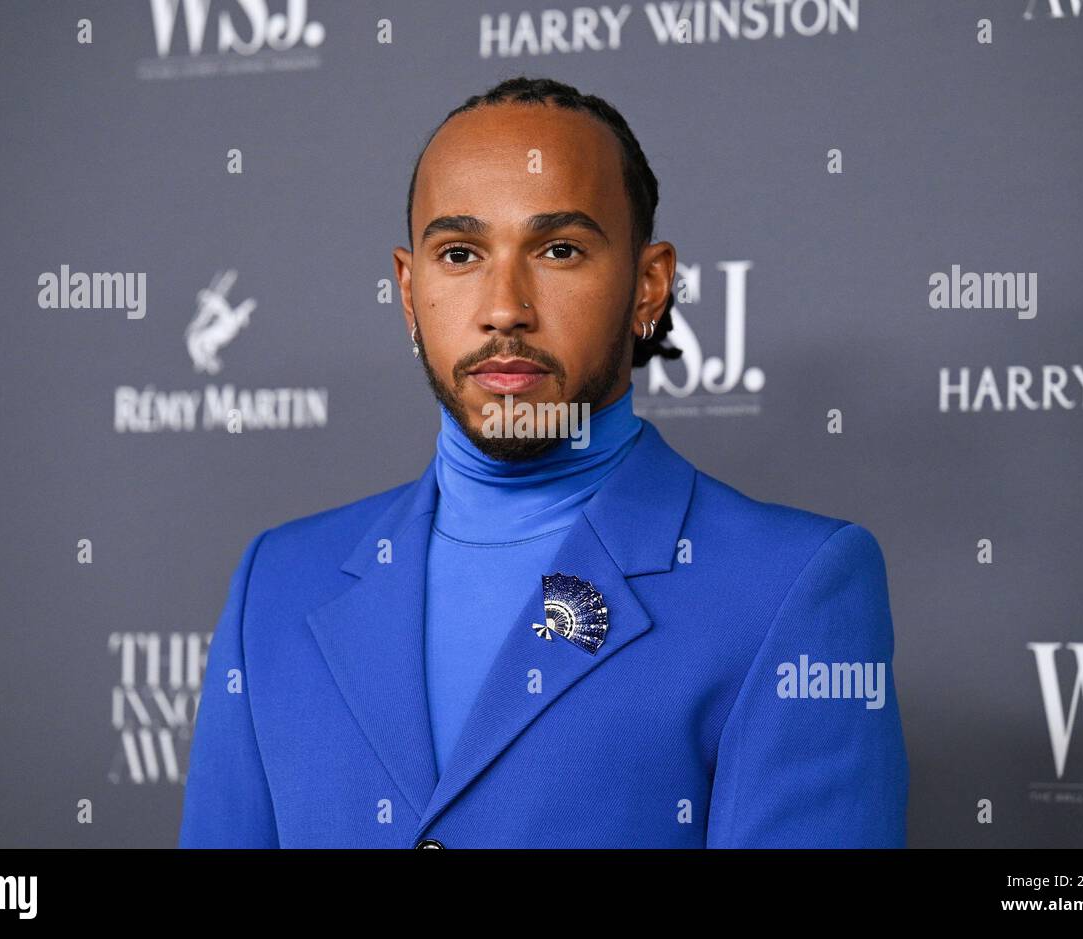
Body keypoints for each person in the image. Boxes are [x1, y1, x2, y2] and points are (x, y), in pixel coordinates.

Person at [179, 76, 908, 848]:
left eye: (559, 249)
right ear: (406, 288)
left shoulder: (793, 586)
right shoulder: (278, 581)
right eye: (459, 253)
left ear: (648, 286)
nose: (504, 306)